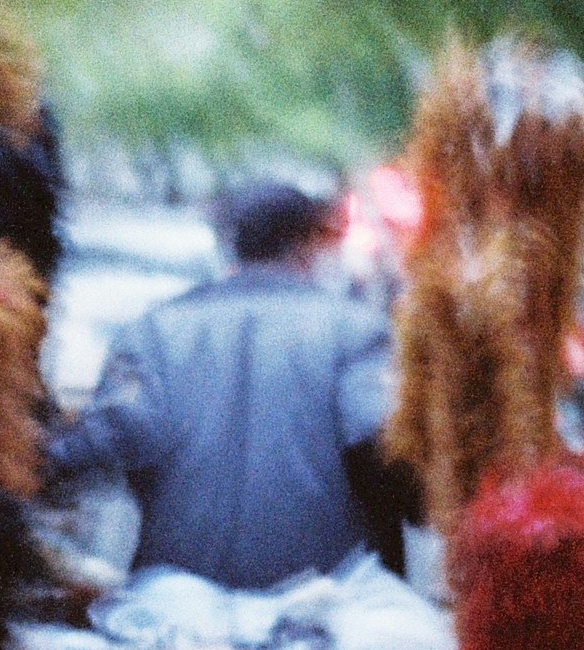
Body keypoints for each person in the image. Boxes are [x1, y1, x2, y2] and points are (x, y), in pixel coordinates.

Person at [49, 182, 400, 589]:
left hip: (179, 604)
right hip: (330, 603)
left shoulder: (154, 332)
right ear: (311, 244)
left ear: (229, 241)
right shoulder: (359, 331)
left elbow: (103, 439)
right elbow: (381, 447)